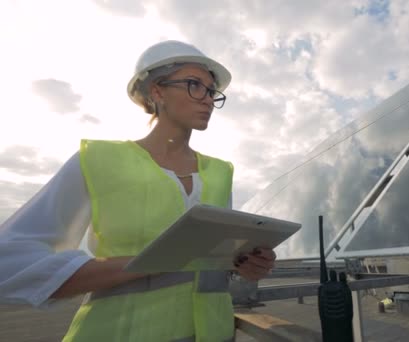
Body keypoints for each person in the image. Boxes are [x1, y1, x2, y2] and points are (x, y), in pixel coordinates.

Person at [0, 40, 276, 341]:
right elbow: (9, 261)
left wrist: (245, 265)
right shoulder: (98, 161)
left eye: (211, 91)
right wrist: (148, 263)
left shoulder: (221, 173)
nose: (208, 99)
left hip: (215, 334)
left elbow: (215, 262)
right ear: (157, 91)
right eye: (195, 85)